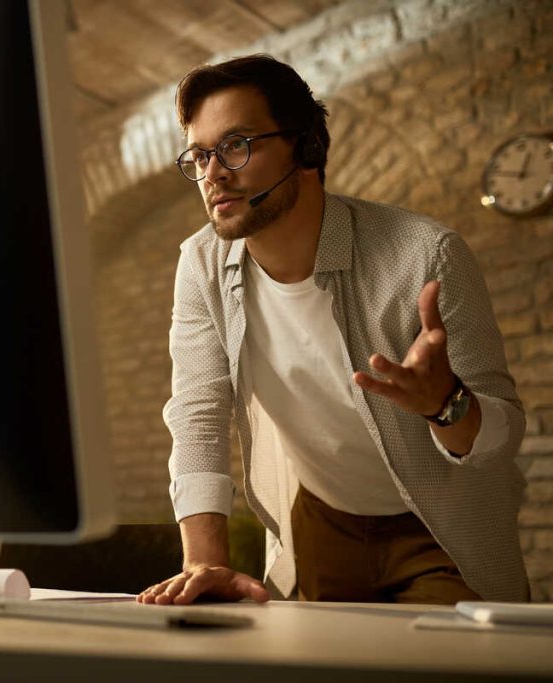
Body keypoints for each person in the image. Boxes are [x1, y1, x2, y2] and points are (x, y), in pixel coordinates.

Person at [137, 54, 528, 605]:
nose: (213, 174)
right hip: (323, 522)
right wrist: (204, 563)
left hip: (437, 526)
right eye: (200, 155)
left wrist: (446, 403)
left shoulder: (425, 255)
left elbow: (504, 435)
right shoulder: (201, 264)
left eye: (235, 145)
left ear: (305, 146)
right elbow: (197, 413)